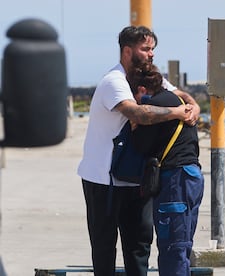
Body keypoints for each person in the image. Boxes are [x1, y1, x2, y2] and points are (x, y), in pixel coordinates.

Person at [77, 26, 200, 276]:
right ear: (127, 51)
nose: (151, 54)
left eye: (153, 49)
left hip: (136, 178)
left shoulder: (147, 77)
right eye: (145, 49)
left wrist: (194, 105)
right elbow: (138, 114)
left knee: (139, 246)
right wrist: (177, 112)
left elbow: (178, 93)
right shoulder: (114, 81)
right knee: (104, 247)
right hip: (103, 178)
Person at [127, 64, 204, 276]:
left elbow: (142, 145)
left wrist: (135, 125)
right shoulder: (178, 101)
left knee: (172, 247)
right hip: (192, 176)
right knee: (183, 245)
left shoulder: (156, 108)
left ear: (142, 90)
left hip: (174, 181)